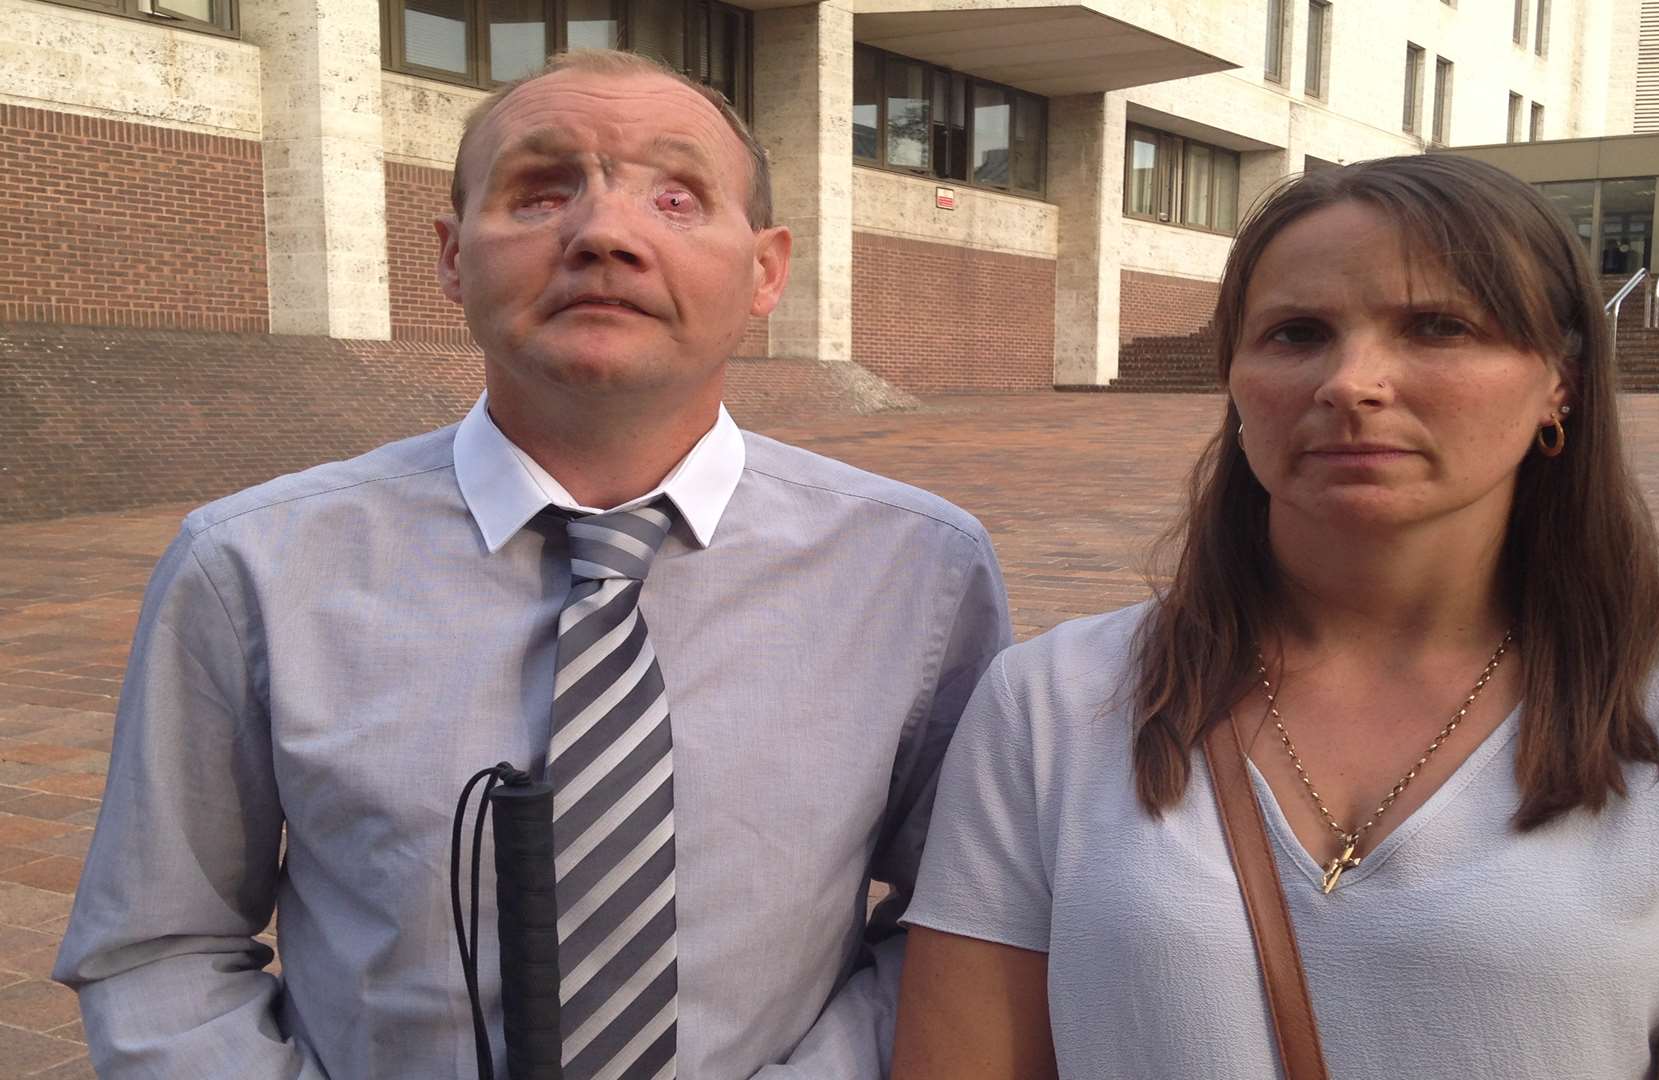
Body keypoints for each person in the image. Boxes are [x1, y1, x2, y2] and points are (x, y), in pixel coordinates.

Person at [54, 49, 1010, 1079]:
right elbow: (160, 943)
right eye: (540, 191)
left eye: (678, 198)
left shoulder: (918, 575)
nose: (604, 233)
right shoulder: (251, 569)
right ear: (453, 255)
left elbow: (965, 931)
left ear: (766, 269)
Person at [891, 154, 1659, 1080]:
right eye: (1297, 334)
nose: (1350, 384)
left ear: (1560, 381)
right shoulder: (1052, 702)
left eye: (1438, 327)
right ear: (1236, 383)